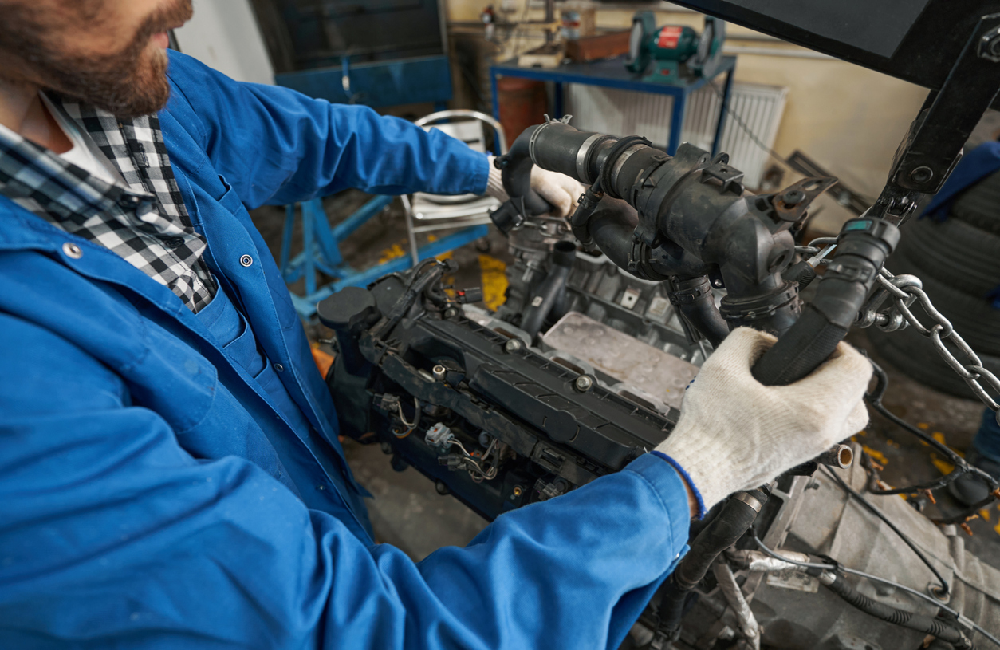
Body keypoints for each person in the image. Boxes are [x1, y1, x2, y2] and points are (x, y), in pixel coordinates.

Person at [0, 1, 873, 647]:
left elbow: (312, 134)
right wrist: (700, 468)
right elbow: (379, 633)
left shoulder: (118, 91)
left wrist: (488, 172)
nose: (183, 7)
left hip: (309, 489)